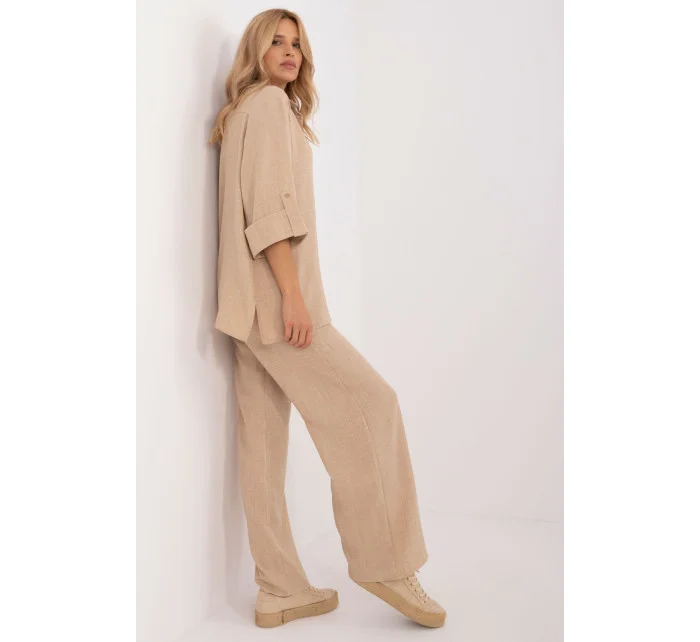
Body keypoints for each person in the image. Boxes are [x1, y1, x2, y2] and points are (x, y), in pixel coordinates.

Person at [208, 8, 446, 629]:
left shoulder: (244, 111)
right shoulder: (268, 106)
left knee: (262, 446)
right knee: (373, 404)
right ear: (256, 52)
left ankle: (279, 588)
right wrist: (294, 295)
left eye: (297, 43)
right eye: (276, 42)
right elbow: (268, 213)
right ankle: (387, 563)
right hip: (276, 303)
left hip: (242, 309)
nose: (290, 51)